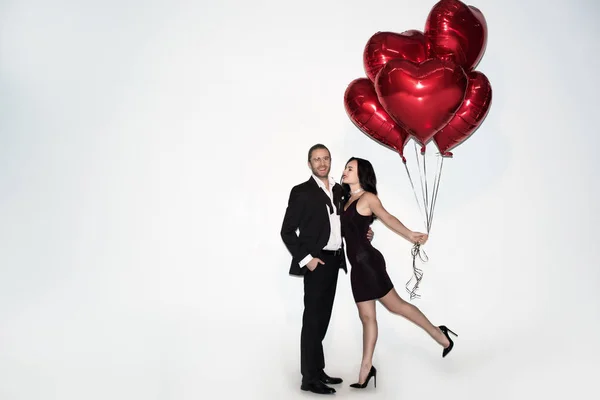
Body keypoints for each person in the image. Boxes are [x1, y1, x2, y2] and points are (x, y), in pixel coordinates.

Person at [340, 157, 457, 389]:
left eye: (350, 168)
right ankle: (366, 366)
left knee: (397, 306)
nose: (344, 171)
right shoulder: (344, 200)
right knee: (366, 318)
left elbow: (387, 217)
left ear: (361, 174)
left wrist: (410, 234)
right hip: (357, 267)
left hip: (369, 264)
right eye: (345, 168)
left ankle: (438, 333)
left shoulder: (368, 198)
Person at [280, 144, 373, 395]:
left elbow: (343, 222)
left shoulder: (339, 190)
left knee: (322, 319)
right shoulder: (301, 192)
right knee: (312, 320)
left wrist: (363, 231)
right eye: (316, 159)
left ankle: (317, 369)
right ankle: (308, 378)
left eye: (325, 158)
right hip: (316, 261)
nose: (322, 163)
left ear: (330, 161)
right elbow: (286, 231)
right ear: (309, 163)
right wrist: (307, 259)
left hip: (335, 261)